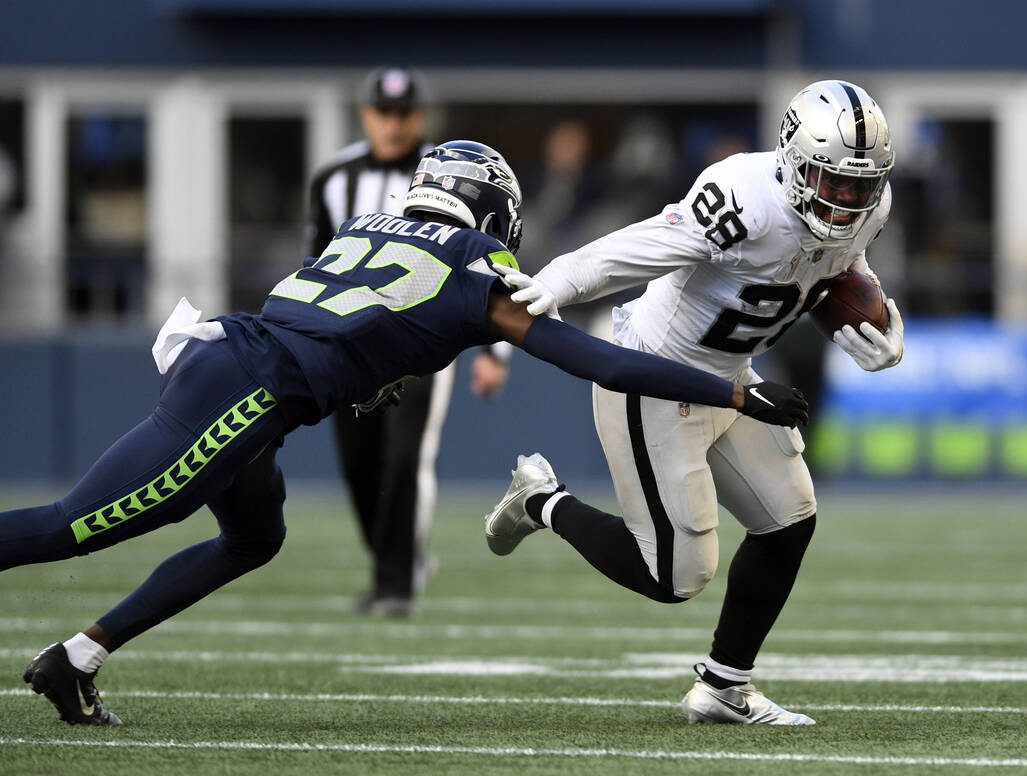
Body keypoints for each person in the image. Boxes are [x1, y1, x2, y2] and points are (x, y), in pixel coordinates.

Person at [6, 140, 809, 727]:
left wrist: (368, 377)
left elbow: (345, 319)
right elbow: (601, 362)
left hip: (232, 360)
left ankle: (76, 658)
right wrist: (730, 394)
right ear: (494, 212)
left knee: (253, 539)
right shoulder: (476, 272)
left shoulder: (362, 225)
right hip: (244, 395)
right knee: (72, 526)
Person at [484, 81, 906, 726]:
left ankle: (724, 687)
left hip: (735, 374)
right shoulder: (744, 198)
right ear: (793, 159)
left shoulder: (865, 208)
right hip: (657, 375)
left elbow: (843, 266)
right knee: (675, 577)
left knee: (789, 518)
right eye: (833, 182)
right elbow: (640, 247)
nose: (847, 200)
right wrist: (560, 280)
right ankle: (541, 501)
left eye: (860, 186)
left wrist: (881, 317)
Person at [308, 66, 510, 616]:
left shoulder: (454, 173)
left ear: (420, 118)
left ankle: (398, 583)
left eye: (404, 114)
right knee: (359, 460)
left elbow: (493, 259)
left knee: (405, 456)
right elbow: (318, 261)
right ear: (366, 115)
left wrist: (495, 350)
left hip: (423, 339)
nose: (394, 124)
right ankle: (392, 563)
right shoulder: (333, 179)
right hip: (350, 336)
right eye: (383, 112)